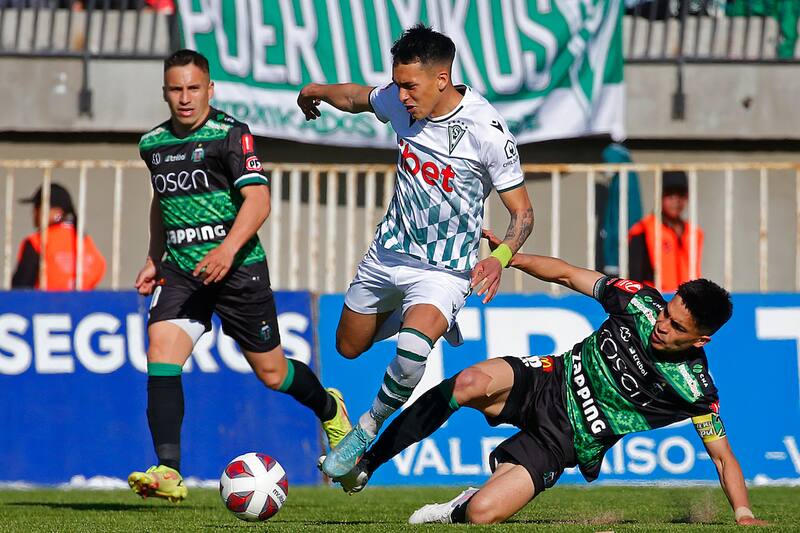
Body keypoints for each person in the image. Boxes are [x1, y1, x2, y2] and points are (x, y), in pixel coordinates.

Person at [328, 228, 766, 527]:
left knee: (484, 514)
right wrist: (511, 258)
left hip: (564, 439)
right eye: (668, 313)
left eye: (676, 328)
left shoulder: (695, 390)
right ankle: (368, 462)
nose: (662, 326)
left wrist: (743, 514)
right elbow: (568, 273)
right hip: (548, 380)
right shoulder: (639, 303)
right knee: (467, 384)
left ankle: (459, 506)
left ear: (702, 340)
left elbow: (724, 458)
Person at [296, 24, 534, 479]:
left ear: (442, 79)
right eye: (398, 84)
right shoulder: (401, 103)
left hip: (444, 270)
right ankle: (423, 323)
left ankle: (365, 429)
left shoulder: (487, 131)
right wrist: (316, 91)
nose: (401, 95)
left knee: (410, 352)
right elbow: (356, 98)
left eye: (410, 85)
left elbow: (523, 214)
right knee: (348, 347)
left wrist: (498, 258)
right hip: (387, 254)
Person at [128, 49, 351, 503]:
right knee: (161, 353)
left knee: (272, 373)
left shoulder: (230, 135)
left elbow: (258, 201)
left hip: (239, 271)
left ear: (210, 89)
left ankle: (329, 408)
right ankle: (169, 470)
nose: (185, 98)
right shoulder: (152, 144)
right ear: (165, 93)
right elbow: (161, 200)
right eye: (176, 89)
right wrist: (154, 257)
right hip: (183, 272)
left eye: (194, 88)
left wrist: (227, 251)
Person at [12, 182, 106, 290]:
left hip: (44, 305)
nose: (34, 212)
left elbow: (19, 288)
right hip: (82, 305)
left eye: (38, 207)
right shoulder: (85, 241)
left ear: (57, 212)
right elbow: (98, 270)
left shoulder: (38, 242)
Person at [629, 170, 703, 292]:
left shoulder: (694, 233)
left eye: (681, 195)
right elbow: (635, 277)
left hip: (688, 302)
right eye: (670, 195)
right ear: (660, 196)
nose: (676, 201)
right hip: (655, 300)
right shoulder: (643, 229)